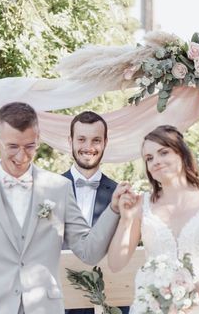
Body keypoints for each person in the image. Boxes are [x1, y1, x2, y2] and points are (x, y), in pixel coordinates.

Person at [0, 102, 129, 314]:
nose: (21, 157)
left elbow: (89, 252)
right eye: (13, 146)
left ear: (38, 139)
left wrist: (113, 209)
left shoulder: (58, 188)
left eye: (29, 146)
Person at [107, 125, 199, 314]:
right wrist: (126, 220)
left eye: (163, 152)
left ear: (182, 154)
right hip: (156, 306)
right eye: (149, 158)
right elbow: (115, 264)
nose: (156, 161)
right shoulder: (141, 204)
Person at [62, 111, 129, 314]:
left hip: (109, 301)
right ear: (70, 141)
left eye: (96, 140)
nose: (88, 147)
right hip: (58, 303)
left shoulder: (121, 195)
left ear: (105, 142)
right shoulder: (47, 190)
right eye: (81, 139)